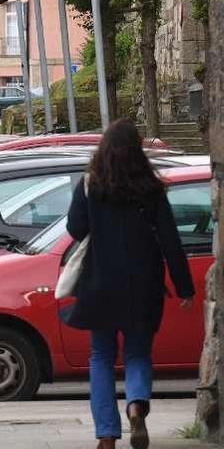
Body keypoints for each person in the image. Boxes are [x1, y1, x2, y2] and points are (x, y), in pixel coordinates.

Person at [62, 120, 195, 449]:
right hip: (143, 282)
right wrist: (184, 286)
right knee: (137, 353)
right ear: (137, 151)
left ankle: (107, 435)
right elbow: (169, 240)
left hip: (100, 282)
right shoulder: (150, 187)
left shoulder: (90, 184)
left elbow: (76, 228)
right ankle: (136, 406)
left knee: (101, 356)